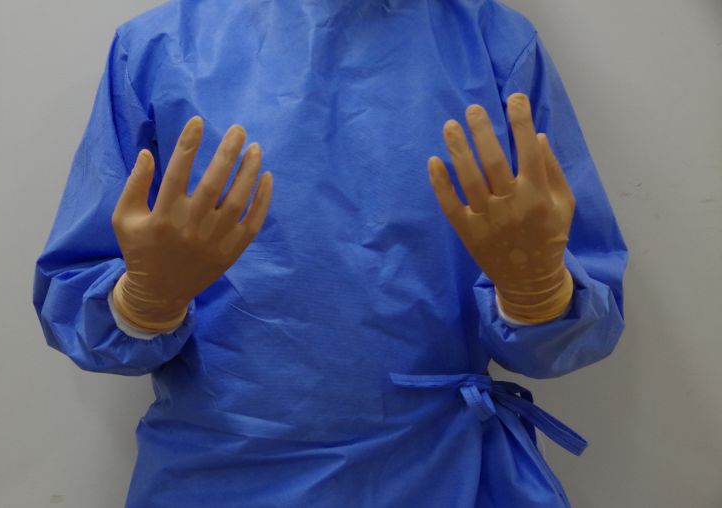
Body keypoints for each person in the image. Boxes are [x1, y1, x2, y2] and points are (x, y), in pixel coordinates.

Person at [32, 0, 629, 506]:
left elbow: (580, 319)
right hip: (222, 477)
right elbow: (75, 299)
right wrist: (145, 300)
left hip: (442, 476)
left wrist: (537, 292)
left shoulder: (493, 43)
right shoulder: (158, 50)